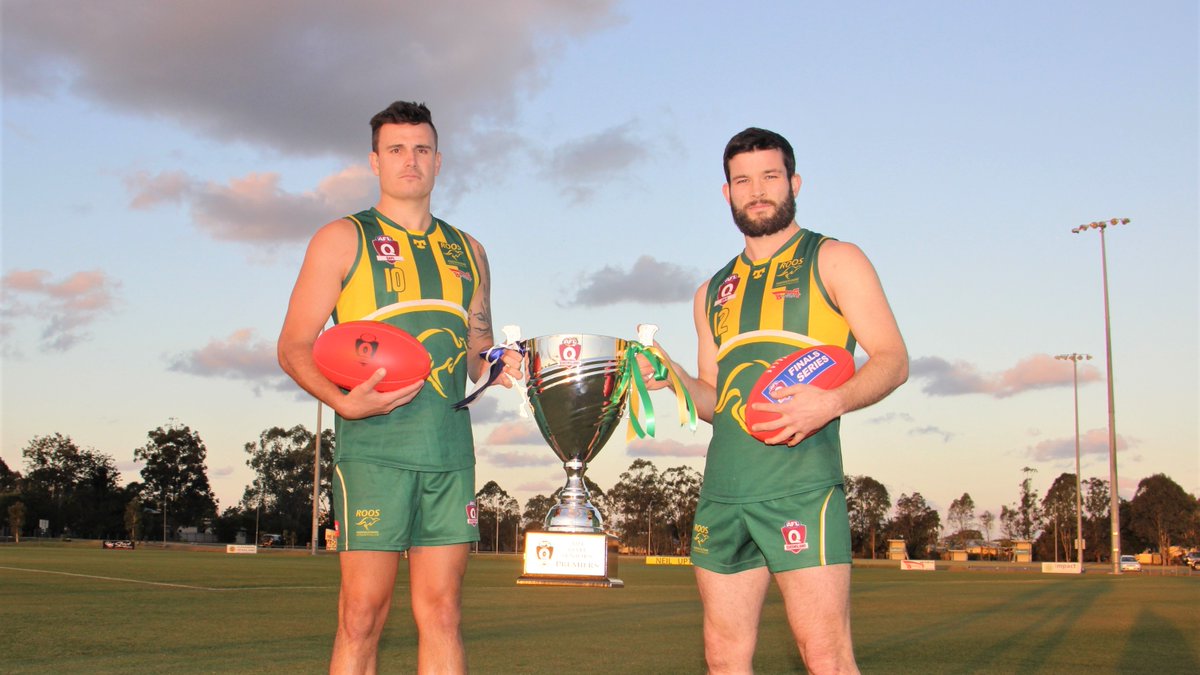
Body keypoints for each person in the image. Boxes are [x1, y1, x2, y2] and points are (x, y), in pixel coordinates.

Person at [642, 127, 908, 673]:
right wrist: (672, 377)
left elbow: (892, 360)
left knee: (825, 655)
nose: (757, 190)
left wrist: (831, 402)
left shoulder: (834, 259)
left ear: (795, 182)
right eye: (743, 180)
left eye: (769, 176)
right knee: (723, 658)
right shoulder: (711, 291)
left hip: (800, 489)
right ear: (727, 193)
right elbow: (714, 400)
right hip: (724, 491)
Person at [278, 100, 520, 674]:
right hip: (375, 450)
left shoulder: (471, 252)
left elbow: (475, 353)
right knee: (362, 613)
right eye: (396, 149)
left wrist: (503, 363)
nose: (409, 160)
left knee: (442, 613)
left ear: (439, 161)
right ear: (375, 161)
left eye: (421, 149)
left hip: (448, 452)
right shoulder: (342, 238)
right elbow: (292, 345)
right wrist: (341, 402)